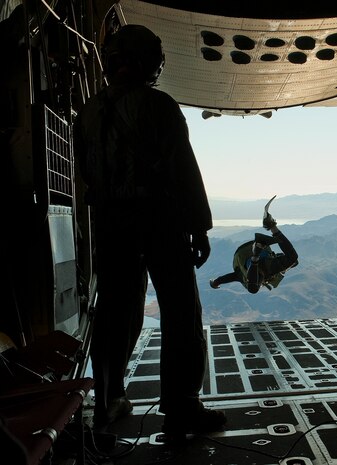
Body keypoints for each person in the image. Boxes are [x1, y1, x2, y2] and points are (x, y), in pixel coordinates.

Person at [74, 24, 226, 437]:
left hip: (110, 226)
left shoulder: (87, 113)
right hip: (159, 222)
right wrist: (199, 227)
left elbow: (87, 173)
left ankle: (109, 402)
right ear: (148, 63)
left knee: (116, 314)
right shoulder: (159, 106)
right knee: (180, 312)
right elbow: (183, 172)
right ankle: (181, 406)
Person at [210, 203, 298, 293]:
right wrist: (215, 282)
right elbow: (226, 278)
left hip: (254, 256)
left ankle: (270, 227)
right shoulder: (243, 276)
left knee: (292, 258)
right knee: (253, 287)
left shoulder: (244, 276)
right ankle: (268, 230)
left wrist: (216, 282)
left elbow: (226, 278)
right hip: (256, 257)